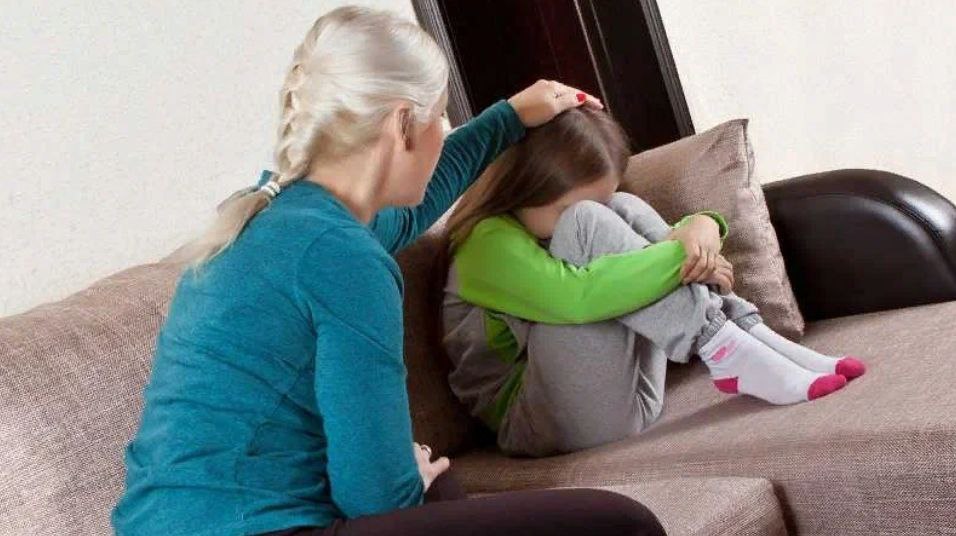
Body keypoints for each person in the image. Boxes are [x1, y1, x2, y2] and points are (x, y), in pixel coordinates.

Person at [110, 5, 666, 536]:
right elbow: (377, 497)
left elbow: (413, 209)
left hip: (171, 523)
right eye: (440, 114)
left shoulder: (286, 219)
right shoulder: (344, 259)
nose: (444, 130)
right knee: (624, 524)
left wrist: (510, 118)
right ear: (403, 124)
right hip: (260, 530)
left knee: (442, 489)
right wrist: (406, 480)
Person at [439, 105, 867, 457]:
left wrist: (701, 227)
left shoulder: (545, 221)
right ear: (523, 189)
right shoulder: (483, 244)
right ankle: (724, 345)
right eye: (563, 208)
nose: (572, 218)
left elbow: (616, 273)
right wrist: (690, 247)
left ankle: (745, 333)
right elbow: (578, 298)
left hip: (630, 393)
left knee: (621, 206)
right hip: (542, 420)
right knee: (587, 223)